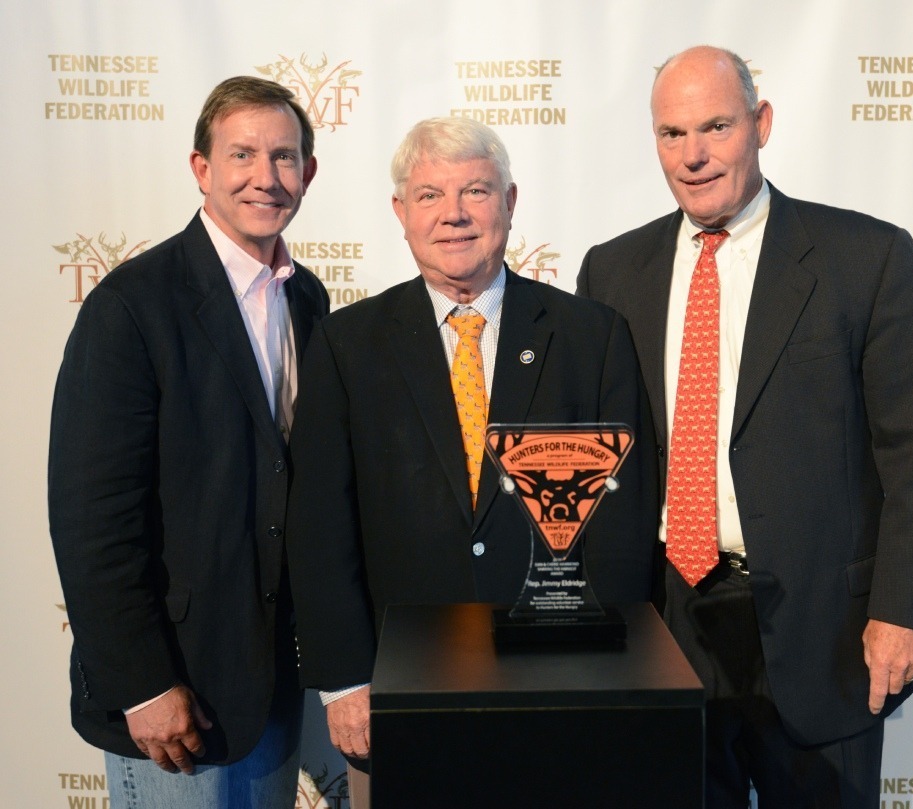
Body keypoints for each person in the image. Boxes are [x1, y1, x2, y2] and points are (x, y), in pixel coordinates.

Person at [576, 46, 913, 808]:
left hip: (825, 627)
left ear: (762, 124)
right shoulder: (613, 270)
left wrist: (906, 610)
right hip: (666, 620)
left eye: (715, 127)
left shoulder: (865, 256)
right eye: (672, 134)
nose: (694, 156)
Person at [285, 116, 658, 807]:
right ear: (401, 214)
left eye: (476, 191)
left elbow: (625, 519)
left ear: (510, 203)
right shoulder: (347, 344)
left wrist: (612, 666)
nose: (453, 214)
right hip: (402, 688)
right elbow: (320, 528)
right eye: (429, 195)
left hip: (562, 681)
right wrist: (343, 682)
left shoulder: (591, 335)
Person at [48, 76, 330, 807]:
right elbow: (92, 520)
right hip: (178, 698)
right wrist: (141, 683)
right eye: (242, 155)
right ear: (201, 169)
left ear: (309, 173)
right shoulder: (132, 306)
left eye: (285, 157)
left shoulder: (308, 298)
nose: (265, 178)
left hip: (272, 680)